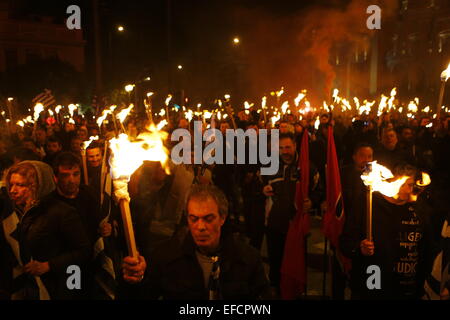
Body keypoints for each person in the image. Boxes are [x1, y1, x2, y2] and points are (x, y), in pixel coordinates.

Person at [120, 184, 271, 300]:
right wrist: (136, 280)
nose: (200, 227)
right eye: (194, 219)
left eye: (208, 218)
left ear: (222, 218)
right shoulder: (166, 257)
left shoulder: (248, 258)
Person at [340, 164, 434, 300]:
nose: (410, 190)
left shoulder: (419, 210)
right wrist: (359, 248)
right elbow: (345, 242)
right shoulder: (367, 204)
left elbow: (428, 250)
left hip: (407, 288)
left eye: (411, 185)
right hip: (373, 282)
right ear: (392, 182)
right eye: (405, 185)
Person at [0, 161, 90, 299]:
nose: (13, 190)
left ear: (37, 186)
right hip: (25, 285)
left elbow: (83, 251)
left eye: (20, 185)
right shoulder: (14, 214)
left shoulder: (62, 212)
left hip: (56, 284)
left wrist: (48, 265)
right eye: (11, 184)